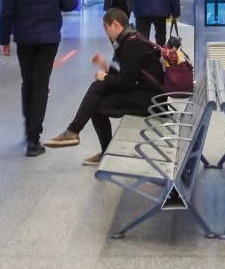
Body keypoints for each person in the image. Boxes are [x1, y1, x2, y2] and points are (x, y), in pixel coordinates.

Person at [44, 8, 165, 165]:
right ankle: (78, 134)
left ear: (115, 24)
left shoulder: (131, 44)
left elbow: (126, 83)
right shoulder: (133, 39)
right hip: (147, 94)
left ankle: (75, 132)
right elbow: (130, 75)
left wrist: (106, 76)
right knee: (97, 96)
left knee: (97, 96)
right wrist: (106, 67)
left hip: (150, 101)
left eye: (106, 28)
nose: (106, 33)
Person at [0, 0, 78, 157]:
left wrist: (4, 38)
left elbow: (7, 9)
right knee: (41, 84)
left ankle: (28, 128)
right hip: (49, 37)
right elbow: (70, 4)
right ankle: (35, 138)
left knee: (28, 82)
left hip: (24, 36)